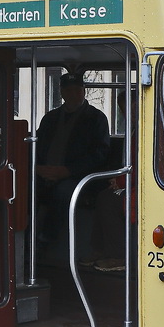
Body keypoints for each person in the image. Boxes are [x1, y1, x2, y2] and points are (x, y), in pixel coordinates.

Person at [35, 72, 110, 246]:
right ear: (61, 92)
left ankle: (48, 241)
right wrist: (36, 168)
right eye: (68, 90)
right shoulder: (50, 118)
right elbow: (37, 146)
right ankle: (22, 238)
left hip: (81, 177)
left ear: (84, 91)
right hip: (44, 172)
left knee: (62, 191)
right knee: (23, 188)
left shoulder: (96, 119)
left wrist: (68, 170)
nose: (73, 94)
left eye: (77, 90)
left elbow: (100, 154)